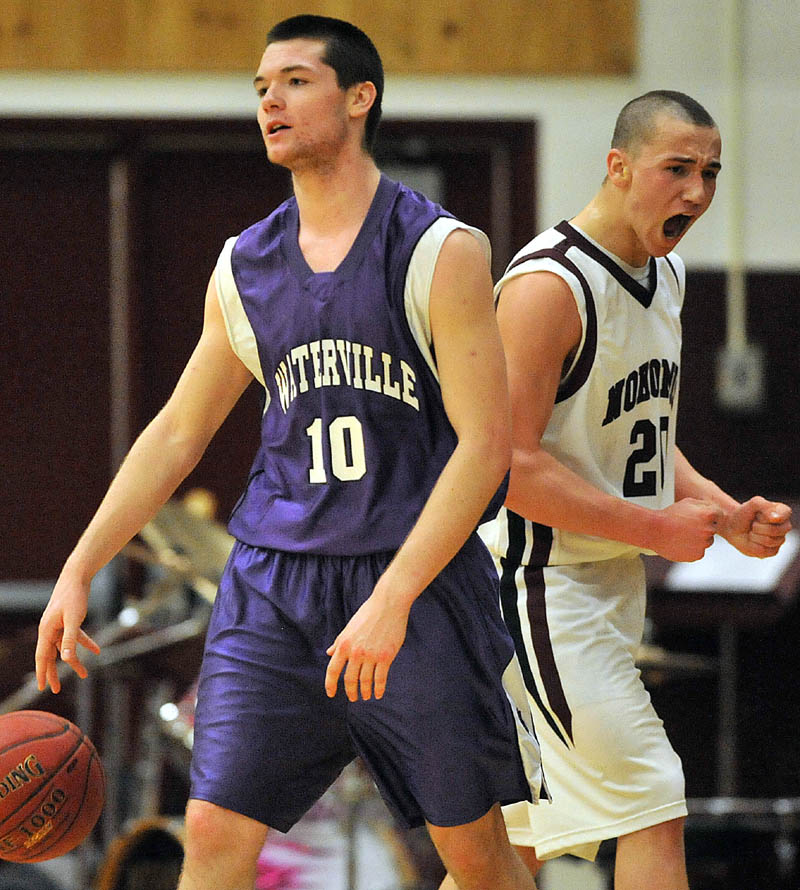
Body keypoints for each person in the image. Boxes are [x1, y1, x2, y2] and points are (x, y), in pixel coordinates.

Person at [35, 14, 544, 890]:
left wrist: (393, 598)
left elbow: (485, 449)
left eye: (296, 80)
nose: (270, 98)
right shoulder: (244, 264)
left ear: (359, 98)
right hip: (275, 583)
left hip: (412, 582)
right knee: (213, 830)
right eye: (261, 85)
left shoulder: (439, 251)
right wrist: (81, 565)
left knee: (477, 858)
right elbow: (177, 432)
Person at [439, 90, 792, 890]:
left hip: (598, 587)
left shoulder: (663, 273)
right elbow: (506, 465)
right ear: (618, 166)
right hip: (532, 587)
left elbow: (644, 435)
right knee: (652, 803)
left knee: (510, 845)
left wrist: (724, 511)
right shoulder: (548, 288)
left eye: (709, 173)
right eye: (677, 170)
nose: (697, 193)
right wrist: (651, 529)